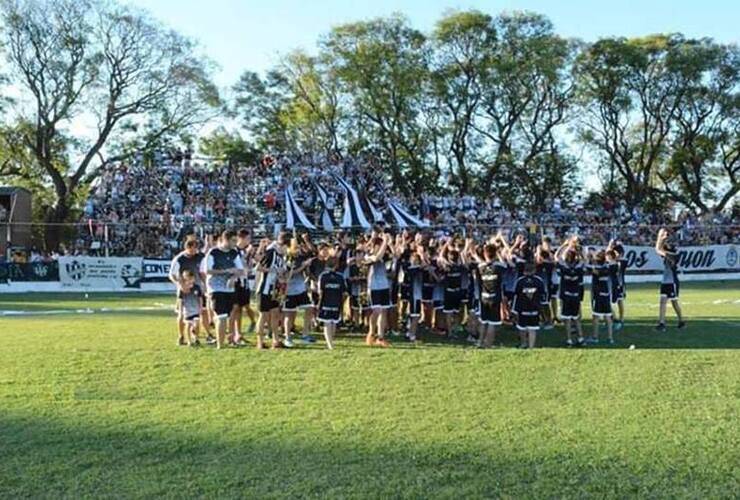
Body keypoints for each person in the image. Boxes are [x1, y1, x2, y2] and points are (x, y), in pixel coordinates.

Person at [169, 238, 213, 343]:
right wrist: (180, 285)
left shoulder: (200, 257)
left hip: (198, 289)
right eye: (193, 248)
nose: (195, 251)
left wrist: (206, 286)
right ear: (187, 247)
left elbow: (202, 272)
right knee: (182, 314)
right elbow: (171, 275)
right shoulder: (179, 259)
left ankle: (208, 334)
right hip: (185, 291)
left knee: (203, 312)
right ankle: (181, 336)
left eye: (196, 248)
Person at [204, 230, 243, 349]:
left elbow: (240, 270)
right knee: (222, 316)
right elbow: (207, 271)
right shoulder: (213, 252)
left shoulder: (234, 252)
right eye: (233, 241)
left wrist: (234, 277)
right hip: (216, 288)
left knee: (226, 316)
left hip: (229, 289)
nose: (235, 243)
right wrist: (226, 271)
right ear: (225, 239)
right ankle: (220, 345)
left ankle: (224, 339)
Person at [255, 232, 288, 349]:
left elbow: (283, 272)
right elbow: (258, 267)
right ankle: (260, 342)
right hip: (265, 288)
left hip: (275, 289)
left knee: (275, 314)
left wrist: (282, 277)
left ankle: (276, 340)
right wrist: (272, 271)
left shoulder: (282, 257)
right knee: (263, 315)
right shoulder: (271, 253)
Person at [364, 233, 392, 347]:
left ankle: (381, 337)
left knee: (384, 311)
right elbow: (377, 257)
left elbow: (395, 256)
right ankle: (371, 333)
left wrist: (391, 243)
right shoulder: (368, 256)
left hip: (384, 286)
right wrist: (385, 242)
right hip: (374, 287)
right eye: (379, 246)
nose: (382, 248)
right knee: (377, 311)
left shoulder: (385, 257)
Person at [555, 240, 585, 346]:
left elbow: (557, 256)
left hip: (565, 295)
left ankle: (569, 340)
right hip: (575, 295)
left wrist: (565, 245)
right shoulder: (578, 267)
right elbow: (584, 260)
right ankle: (581, 338)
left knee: (567, 320)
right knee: (576, 318)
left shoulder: (564, 267)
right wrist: (578, 252)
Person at [475, 243, 506, 348]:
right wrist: (498, 253)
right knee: (492, 322)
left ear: (485, 254)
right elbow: (504, 264)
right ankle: (488, 344)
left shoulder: (480, 266)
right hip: (495, 297)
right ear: (495, 254)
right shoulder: (498, 266)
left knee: (484, 321)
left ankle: (480, 342)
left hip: (484, 297)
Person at [655, 228, 686, 331]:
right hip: (665, 280)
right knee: (662, 301)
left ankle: (681, 320)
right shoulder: (669, 253)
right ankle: (662, 323)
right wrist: (662, 237)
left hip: (672, 281)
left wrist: (660, 237)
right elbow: (660, 249)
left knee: (674, 302)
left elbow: (658, 249)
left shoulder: (673, 255)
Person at [512, 261, 546, 349]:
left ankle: (523, 343)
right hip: (534, 308)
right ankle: (531, 346)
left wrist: (514, 310)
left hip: (522, 309)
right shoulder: (539, 280)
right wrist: (542, 310)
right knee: (533, 328)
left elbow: (515, 295)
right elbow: (543, 296)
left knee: (522, 327)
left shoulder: (520, 281)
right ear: (534, 270)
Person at [317, 255, 346, 350]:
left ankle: (329, 344)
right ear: (337, 265)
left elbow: (320, 291)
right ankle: (331, 342)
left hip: (325, 302)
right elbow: (344, 292)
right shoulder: (340, 276)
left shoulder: (323, 276)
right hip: (336, 303)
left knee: (327, 323)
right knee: (333, 322)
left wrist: (319, 304)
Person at [587, 250, 614, 344]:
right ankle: (610, 338)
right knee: (608, 317)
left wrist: (587, 258)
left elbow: (587, 266)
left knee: (596, 317)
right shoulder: (608, 267)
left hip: (598, 295)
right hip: (606, 294)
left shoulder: (596, 269)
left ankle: (595, 337)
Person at [175, 270, 203, 347]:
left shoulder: (197, 287)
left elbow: (200, 298)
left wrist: (201, 307)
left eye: (191, 278)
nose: (189, 280)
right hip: (187, 311)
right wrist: (180, 310)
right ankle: (189, 341)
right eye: (187, 279)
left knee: (196, 324)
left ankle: (196, 338)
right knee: (188, 325)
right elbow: (180, 300)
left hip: (196, 310)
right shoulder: (182, 289)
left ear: (193, 278)